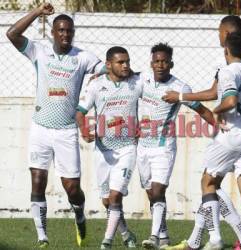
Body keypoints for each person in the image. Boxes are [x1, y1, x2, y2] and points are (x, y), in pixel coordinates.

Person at [6, 3, 105, 248]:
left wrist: (100, 74)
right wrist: (37, 11)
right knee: (38, 181)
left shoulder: (83, 57)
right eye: (60, 30)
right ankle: (42, 237)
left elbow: (109, 70)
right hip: (40, 128)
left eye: (69, 31)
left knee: (72, 188)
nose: (65, 35)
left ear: (73, 33)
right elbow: (11, 34)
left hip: (66, 131)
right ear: (53, 32)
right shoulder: (38, 52)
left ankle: (79, 216)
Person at [168, 33, 241, 250]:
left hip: (229, 135)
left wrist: (217, 111)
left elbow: (231, 100)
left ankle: (215, 238)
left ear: (226, 50)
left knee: (208, 183)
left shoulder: (227, 71)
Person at [137, 43, 216, 249]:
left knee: (157, 190)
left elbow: (200, 109)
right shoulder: (142, 80)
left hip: (164, 147)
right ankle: (163, 235)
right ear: (151, 63)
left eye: (164, 61)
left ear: (171, 64)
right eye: (157, 61)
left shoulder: (180, 88)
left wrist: (218, 125)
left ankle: (153, 237)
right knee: (151, 193)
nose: (160, 65)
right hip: (142, 147)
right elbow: (121, 79)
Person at [76, 46, 142, 250]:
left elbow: (154, 91)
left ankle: (107, 242)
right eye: (120, 62)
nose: (126, 65)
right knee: (107, 201)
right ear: (108, 65)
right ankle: (126, 234)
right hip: (103, 151)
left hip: (127, 148)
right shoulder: (96, 86)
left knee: (115, 196)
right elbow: (80, 111)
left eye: (127, 62)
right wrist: (84, 129)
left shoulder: (137, 82)